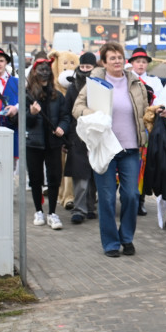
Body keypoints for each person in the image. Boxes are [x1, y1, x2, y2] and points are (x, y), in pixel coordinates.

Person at [72, 42, 154, 258]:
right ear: (104, 62)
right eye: (112, 58)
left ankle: (126, 238)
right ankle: (110, 242)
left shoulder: (135, 83)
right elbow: (77, 108)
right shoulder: (95, 83)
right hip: (105, 148)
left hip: (130, 147)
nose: (117, 61)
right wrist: (95, 114)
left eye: (119, 57)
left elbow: (144, 112)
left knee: (131, 195)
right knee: (107, 198)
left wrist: (155, 114)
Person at [22, 58, 70, 230]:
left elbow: (65, 116)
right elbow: (24, 120)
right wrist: (33, 113)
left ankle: (52, 213)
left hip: (53, 143)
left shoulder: (58, 96)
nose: (44, 72)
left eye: (47, 69)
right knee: (35, 178)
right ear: (34, 72)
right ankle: (38, 210)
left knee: (54, 177)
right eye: (41, 69)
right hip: (33, 143)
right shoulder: (27, 95)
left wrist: (62, 128)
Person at [63, 52, 98, 225]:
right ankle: (79, 209)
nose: (85, 70)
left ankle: (91, 207)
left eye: (88, 67)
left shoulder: (100, 85)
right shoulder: (72, 87)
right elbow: (67, 112)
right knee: (80, 176)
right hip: (77, 136)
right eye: (82, 67)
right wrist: (68, 137)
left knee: (95, 175)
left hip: (97, 135)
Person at [128, 47, 164, 217]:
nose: (141, 65)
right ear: (132, 63)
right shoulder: (125, 79)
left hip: (146, 128)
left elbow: (160, 102)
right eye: (138, 62)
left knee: (142, 165)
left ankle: (139, 201)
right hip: (127, 127)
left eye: (143, 62)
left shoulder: (154, 82)